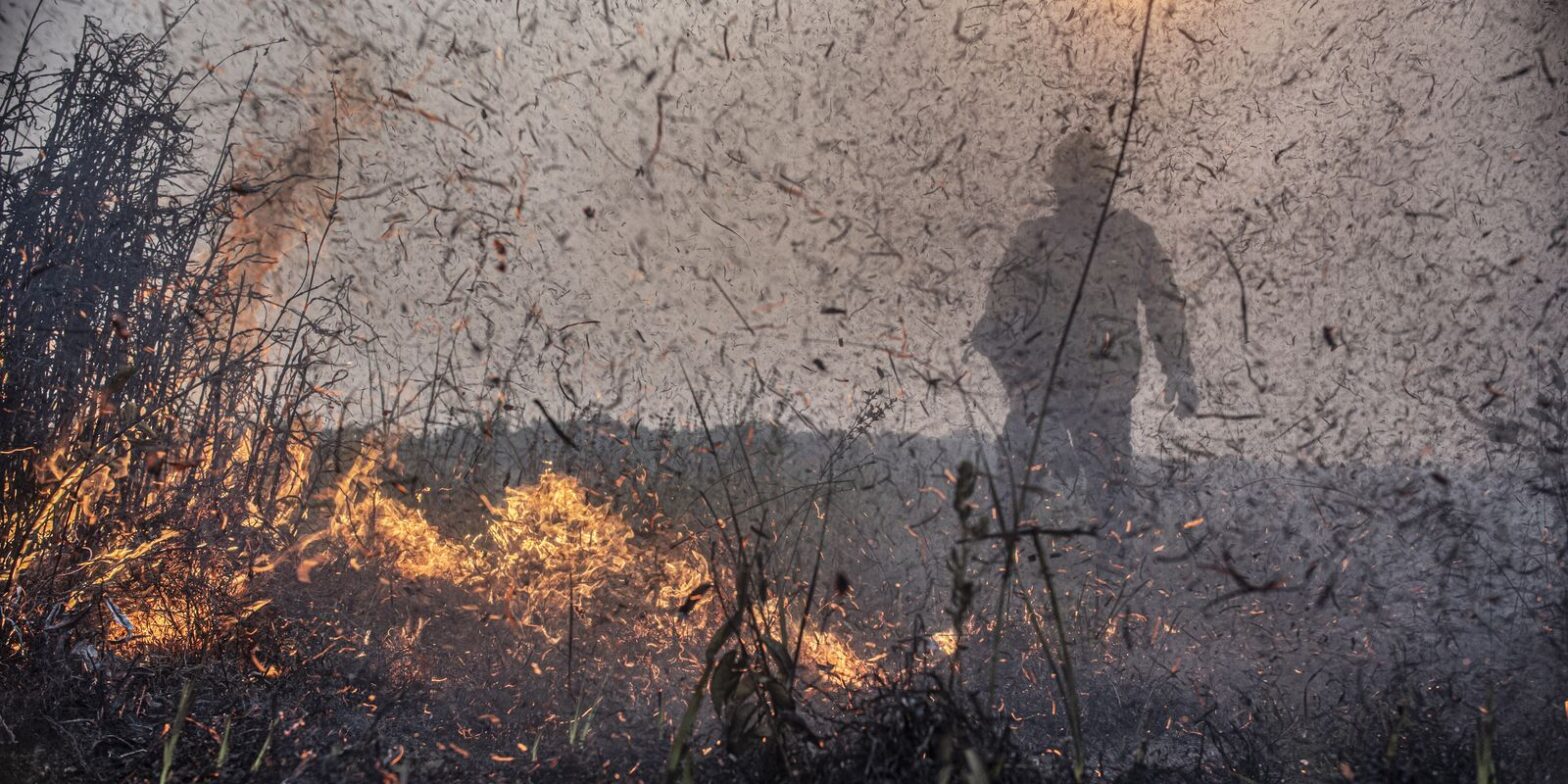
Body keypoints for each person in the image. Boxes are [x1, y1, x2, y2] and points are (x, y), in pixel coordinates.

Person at [971, 131, 1196, 525]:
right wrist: (1030, 403)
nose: (1084, 199)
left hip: (1105, 404)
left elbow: (1164, 304)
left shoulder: (1133, 237)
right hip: (1045, 402)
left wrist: (1179, 367)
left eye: (1092, 187)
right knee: (1007, 521)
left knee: (1114, 520)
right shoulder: (1036, 239)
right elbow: (993, 331)